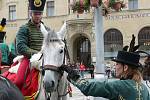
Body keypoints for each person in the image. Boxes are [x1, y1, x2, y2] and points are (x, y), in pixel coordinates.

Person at [64, 35, 150, 100]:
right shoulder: (144, 89)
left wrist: (74, 77)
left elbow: (89, 88)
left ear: (125, 67)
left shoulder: (120, 86)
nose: (115, 67)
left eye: (117, 64)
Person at [3, 0, 47, 99]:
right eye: (35, 13)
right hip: (28, 59)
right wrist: (37, 54)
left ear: (42, 14)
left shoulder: (47, 29)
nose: (37, 16)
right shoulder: (24, 28)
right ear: (30, 13)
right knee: (18, 81)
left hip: (45, 59)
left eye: (39, 13)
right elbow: (21, 47)